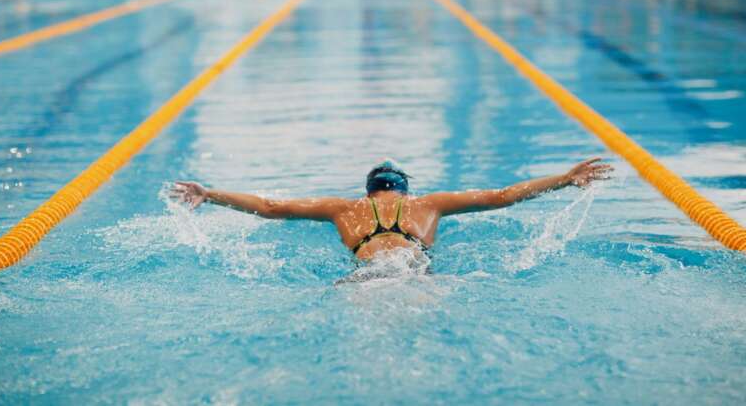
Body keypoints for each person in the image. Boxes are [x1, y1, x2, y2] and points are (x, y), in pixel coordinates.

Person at [171, 158, 612, 265]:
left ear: (369, 191)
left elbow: (270, 207)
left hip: (364, 273)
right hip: (413, 266)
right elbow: (503, 195)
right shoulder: (427, 204)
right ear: (404, 189)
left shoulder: (343, 209)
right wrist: (564, 178)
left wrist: (209, 193)